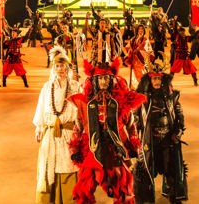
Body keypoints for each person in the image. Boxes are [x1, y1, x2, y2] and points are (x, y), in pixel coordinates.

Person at [68, 60, 146, 203]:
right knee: (84, 189)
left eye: (106, 78)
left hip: (115, 149)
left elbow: (130, 125)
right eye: (100, 78)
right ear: (94, 81)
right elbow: (78, 127)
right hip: (92, 148)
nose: (103, 81)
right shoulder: (85, 103)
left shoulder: (120, 102)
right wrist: (74, 148)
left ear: (112, 81)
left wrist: (134, 143)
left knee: (124, 189)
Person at [33, 47, 81, 204]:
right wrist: (39, 128)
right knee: (48, 167)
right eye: (58, 66)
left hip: (68, 135)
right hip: (50, 134)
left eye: (63, 66)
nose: (61, 69)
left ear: (68, 68)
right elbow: (41, 109)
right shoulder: (47, 87)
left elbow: (81, 112)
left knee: (67, 166)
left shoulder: (75, 86)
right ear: (54, 68)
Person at [134, 66, 188, 203]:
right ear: (149, 80)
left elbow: (179, 115)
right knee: (145, 171)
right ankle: (146, 199)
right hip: (148, 140)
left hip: (167, 140)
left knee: (171, 170)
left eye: (159, 78)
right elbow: (134, 119)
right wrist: (135, 136)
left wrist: (178, 131)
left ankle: (174, 197)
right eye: (154, 79)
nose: (157, 81)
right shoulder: (141, 99)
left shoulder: (171, 96)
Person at [169, 19, 198, 86]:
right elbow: (175, 29)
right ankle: (168, 82)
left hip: (185, 57)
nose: (183, 33)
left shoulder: (186, 38)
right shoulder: (177, 36)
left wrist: (198, 31)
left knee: (192, 69)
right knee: (173, 70)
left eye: (183, 32)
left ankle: (195, 81)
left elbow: (192, 37)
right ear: (179, 32)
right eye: (181, 32)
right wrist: (175, 21)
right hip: (179, 57)